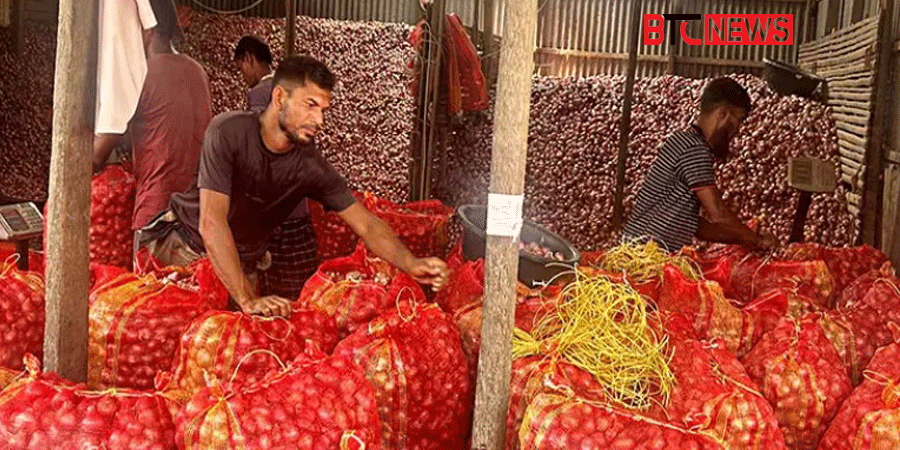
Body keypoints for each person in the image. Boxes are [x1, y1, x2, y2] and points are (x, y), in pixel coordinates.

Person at [137, 55, 448, 317]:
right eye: (310, 105)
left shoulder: (309, 166)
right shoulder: (227, 133)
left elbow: (365, 224)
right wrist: (246, 298)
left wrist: (412, 263)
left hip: (241, 264)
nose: (319, 120)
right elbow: (211, 222)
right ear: (279, 98)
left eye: (324, 110)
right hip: (184, 252)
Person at [93, 0, 212, 232]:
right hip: (196, 210)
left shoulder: (140, 74)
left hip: (155, 212)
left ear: (147, 28)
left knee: (148, 269)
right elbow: (165, 127)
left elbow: (98, 155)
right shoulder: (196, 70)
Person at [623, 77, 776, 253]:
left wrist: (745, 239)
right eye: (739, 119)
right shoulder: (694, 148)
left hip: (642, 253)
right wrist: (757, 241)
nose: (738, 130)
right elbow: (718, 213)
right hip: (642, 256)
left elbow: (698, 228)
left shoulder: (684, 141)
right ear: (723, 114)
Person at [234, 35, 315, 300]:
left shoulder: (260, 95)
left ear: (248, 59)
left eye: (241, 68)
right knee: (301, 292)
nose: (243, 75)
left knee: (275, 296)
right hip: (300, 208)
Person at [234, 35, 275, 114]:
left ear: (248, 58)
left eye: (241, 69)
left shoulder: (258, 93)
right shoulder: (284, 83)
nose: (243, 77)